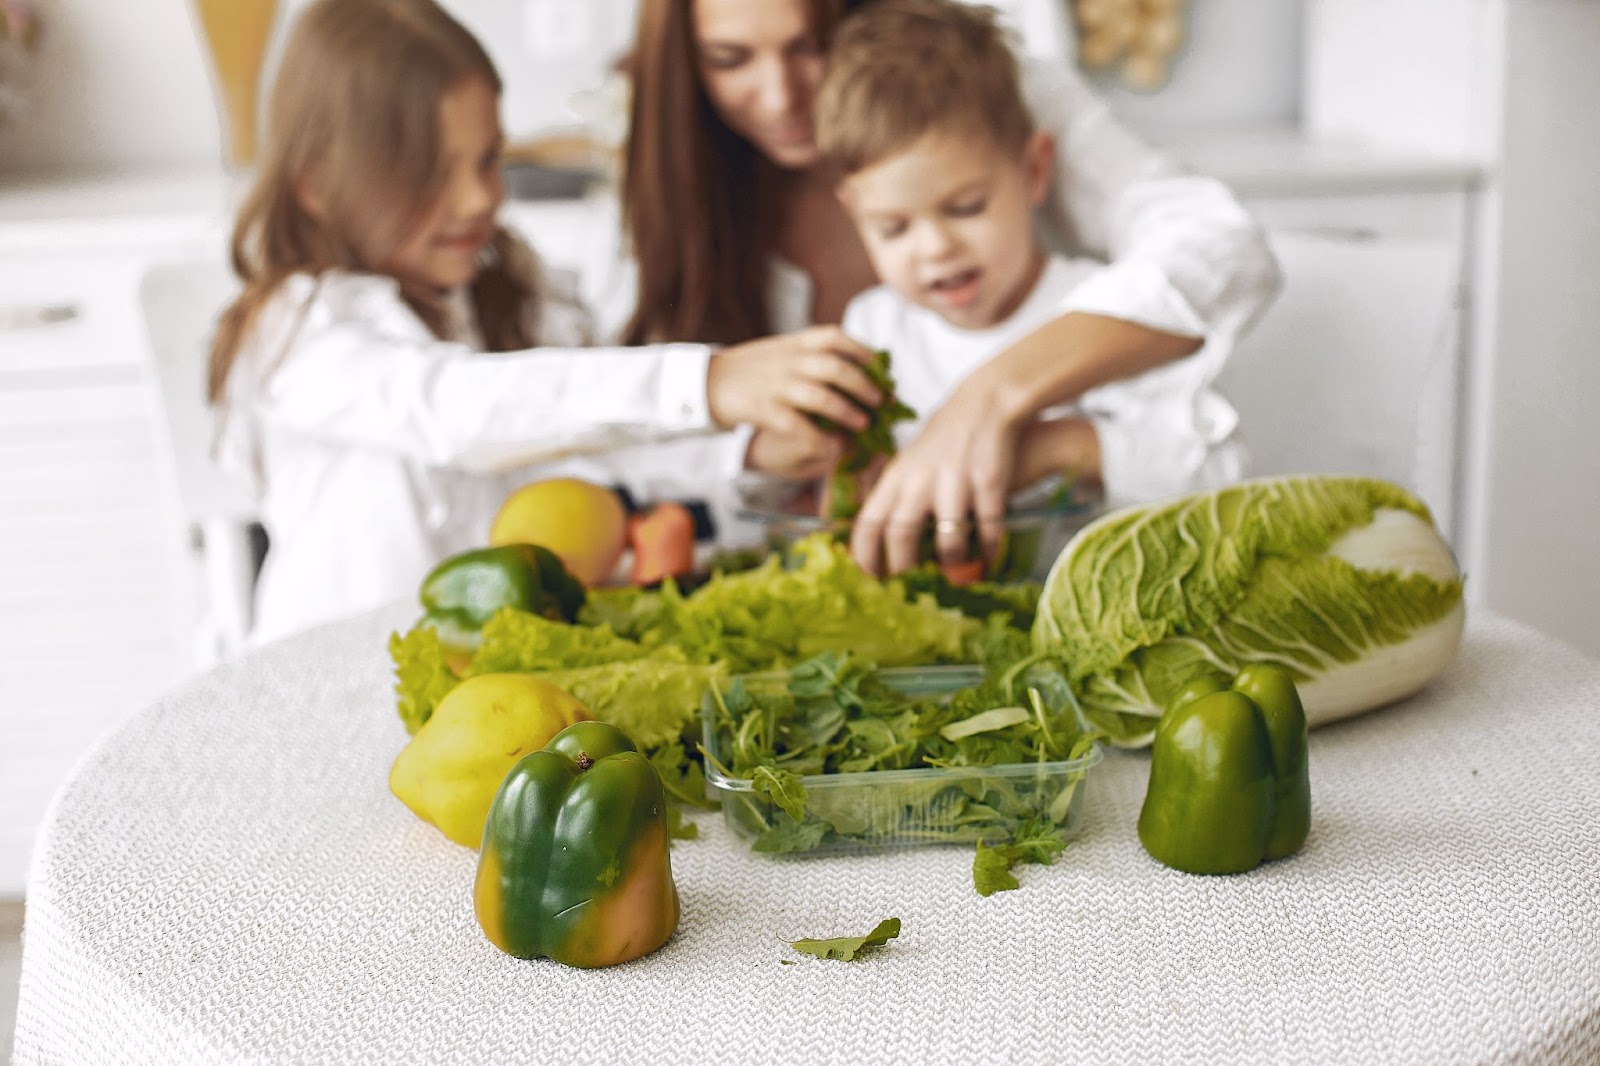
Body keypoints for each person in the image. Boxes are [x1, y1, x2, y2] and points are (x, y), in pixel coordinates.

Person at [208, 0, 882, 642]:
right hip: (324, 686)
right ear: (319, 183)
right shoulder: (296, 333)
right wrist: (705, 382)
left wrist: (748, 453)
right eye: (429, 175)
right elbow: (459, 412)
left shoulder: (505, 291)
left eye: (487, 160)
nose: (479, 198)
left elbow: (594, 445)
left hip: (480, 684)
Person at [611, 0, 1281, 575]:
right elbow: (640, 443)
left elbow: (1221, 251)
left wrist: (1015, 415)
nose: (783, 97)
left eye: (809, 46)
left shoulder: (1085, 295)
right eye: (730, 58)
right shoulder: (874, 325)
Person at [813, 0, 1244, 568]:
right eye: (893, 228)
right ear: (853, 215)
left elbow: (1218, 472)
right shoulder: (871, 328)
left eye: (966, 208)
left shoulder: (1098, 309)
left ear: (1035, 171)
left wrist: (1062, 447)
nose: (936, 247)